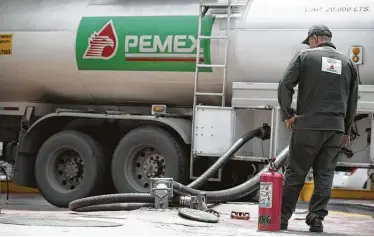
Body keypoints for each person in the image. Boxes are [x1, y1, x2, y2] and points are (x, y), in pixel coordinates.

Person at [277, 25, 359, 232]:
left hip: (308, 126)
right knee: (325, 174)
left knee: (296, 173)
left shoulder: (305, 57)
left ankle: (283, 218)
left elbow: (285, 85)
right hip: (335, 128)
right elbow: (352, 102)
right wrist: (346, 130)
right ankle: (316, 219)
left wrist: (288, 115)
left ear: (314, 39)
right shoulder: (348, 62)